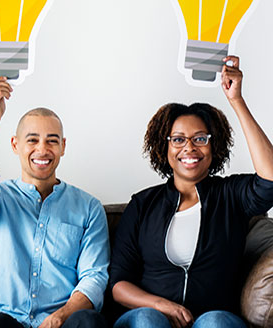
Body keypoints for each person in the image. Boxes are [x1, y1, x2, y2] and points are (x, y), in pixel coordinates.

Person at [110, 56, 273, 328]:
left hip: (212, 316)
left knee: (216, 322)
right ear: (165, 148)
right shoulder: (143, 204)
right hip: (150, 316)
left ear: (214, 145)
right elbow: (118, 284)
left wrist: (236, 100)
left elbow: (269, 179)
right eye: (178, 139)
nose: (189, 148)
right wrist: (161, 305)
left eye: (200, 138)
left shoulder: (230, 195)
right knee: (148, 320)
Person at [0, 77, 110, 328]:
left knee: (89, 321)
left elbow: (94, 276)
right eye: (32, 140)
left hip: (64, 322)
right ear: (15, 145)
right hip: (6, 321)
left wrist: (61, 315)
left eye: (51, 140)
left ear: (63, 146)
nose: (42, 149)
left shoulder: (88, 207)